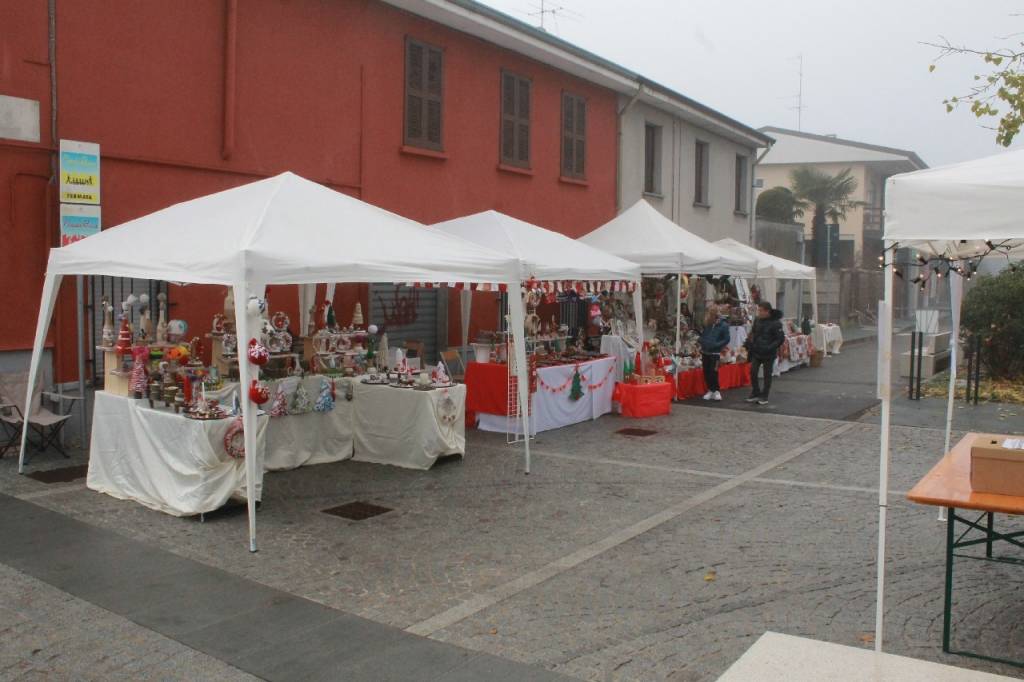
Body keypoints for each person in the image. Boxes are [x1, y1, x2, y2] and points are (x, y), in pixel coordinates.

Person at [745, 301, 785, 406]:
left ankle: (764, 396)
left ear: (767, 311)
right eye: (758, 310)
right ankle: (755, 391)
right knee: (753, 372)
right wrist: (748, 342)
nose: (759, 312)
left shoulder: (776, 323)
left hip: (768, 353)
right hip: (756, 350)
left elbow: (780, 339)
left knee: (767, 375)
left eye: (761, 310)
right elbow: (753, 332)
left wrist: (770, 347)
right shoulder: (757, 320)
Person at [698, 309, 730, 401]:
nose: (707, 316)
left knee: (713, 372)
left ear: (714, 315)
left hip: (715, 353)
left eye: (709, 315)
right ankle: (710, 390)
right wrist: (701, 340)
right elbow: (704, 335)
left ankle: (716, 390)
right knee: (706, 371)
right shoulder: (708, 324)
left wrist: (717, 345)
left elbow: (726, 339)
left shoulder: (723, 325)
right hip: (705, 351)